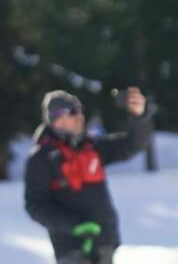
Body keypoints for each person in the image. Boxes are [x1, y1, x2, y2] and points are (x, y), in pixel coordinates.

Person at [24, 87, 154, 264]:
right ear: (57, 119)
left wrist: (139, 117)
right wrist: (75, 226)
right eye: (73, 112)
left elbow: (134, 144)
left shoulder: (91, 146)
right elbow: (36, 205)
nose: (80, 116)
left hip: (103, 242)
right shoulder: (41, 159)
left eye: (80, 111)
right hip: (71, 249)